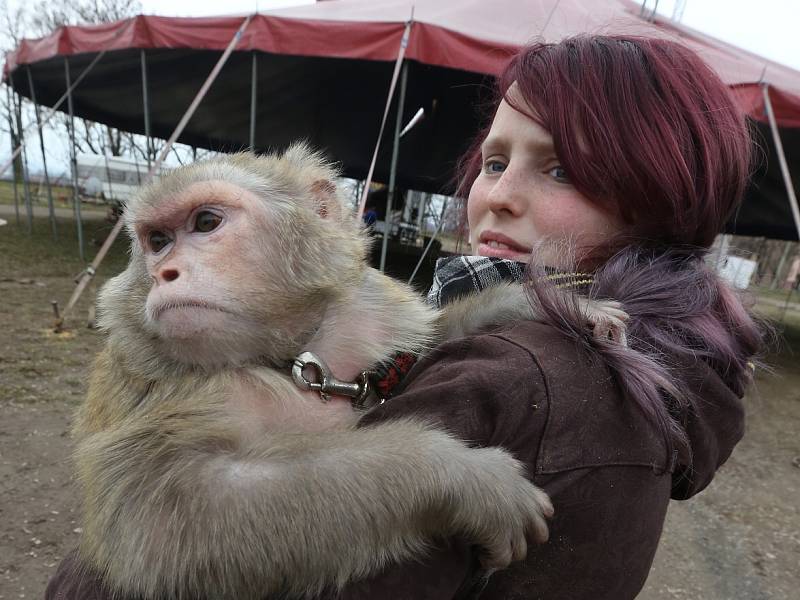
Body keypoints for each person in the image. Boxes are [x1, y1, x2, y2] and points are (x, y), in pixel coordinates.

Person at [46, 35, 762, 599]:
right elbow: (162, 532)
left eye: (561, 169)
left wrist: (425, 467)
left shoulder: (518, 379)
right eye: (492, 162)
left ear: (320, 212)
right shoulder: (638, 347)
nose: (497, 197)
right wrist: (511, 308)